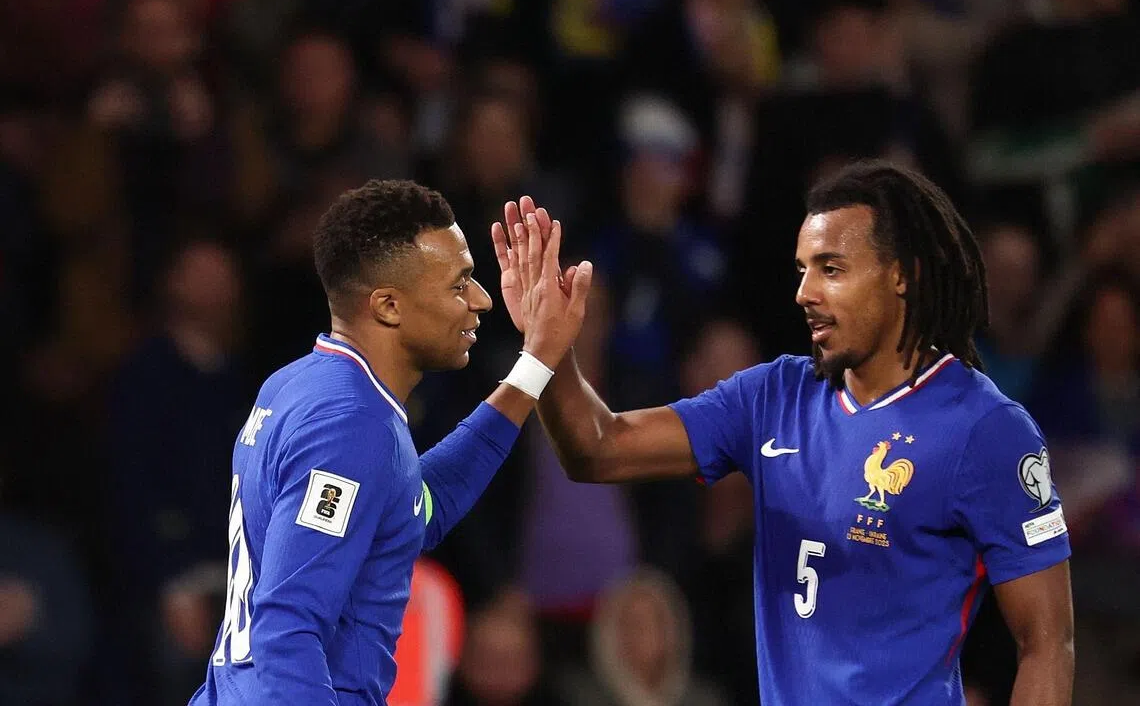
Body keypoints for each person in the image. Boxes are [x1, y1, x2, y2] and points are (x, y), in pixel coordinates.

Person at [495, 162, 1074, 706]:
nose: (804, 293)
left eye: (831, 268)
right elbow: (596, 448)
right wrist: (547, 351)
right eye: (802, 270)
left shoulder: (988, 430)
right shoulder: (772, 396)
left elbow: (1047, 644)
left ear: (903, 275)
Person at [189, 178, 591, 706]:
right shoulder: (350, 425)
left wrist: (535, 364)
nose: (482, 300)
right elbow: (286, 629)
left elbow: (416, 509)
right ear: (389, 306)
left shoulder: (300, 386)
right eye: (459, 284)